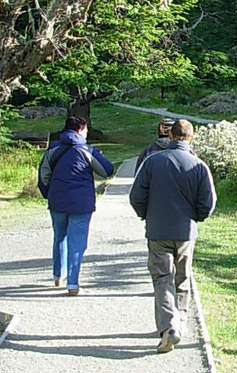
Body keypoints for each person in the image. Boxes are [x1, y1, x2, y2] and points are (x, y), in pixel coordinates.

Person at [129, 118, 217, 354]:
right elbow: (208, 203)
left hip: (158, 231)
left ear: (170, 136)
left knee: (162, 278)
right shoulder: (199, 166)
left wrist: (145, 214)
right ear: (192, 138)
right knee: (183, 278)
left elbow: (136, 196)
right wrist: (196, 218)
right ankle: (181, 321)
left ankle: (169, 326)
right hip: (186, 232)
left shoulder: (152, 162)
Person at [38, 115, 114, 296]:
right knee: (77, 243)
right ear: (80, 129)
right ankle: (72, 284)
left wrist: (49, 193)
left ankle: (58, 275)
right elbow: (107, 170)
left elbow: (43, 175)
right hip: (81, 203)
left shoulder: (53, 150)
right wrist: (99, 155)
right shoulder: (87, 150)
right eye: (85, 130)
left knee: (59, 237)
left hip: (57, 201)